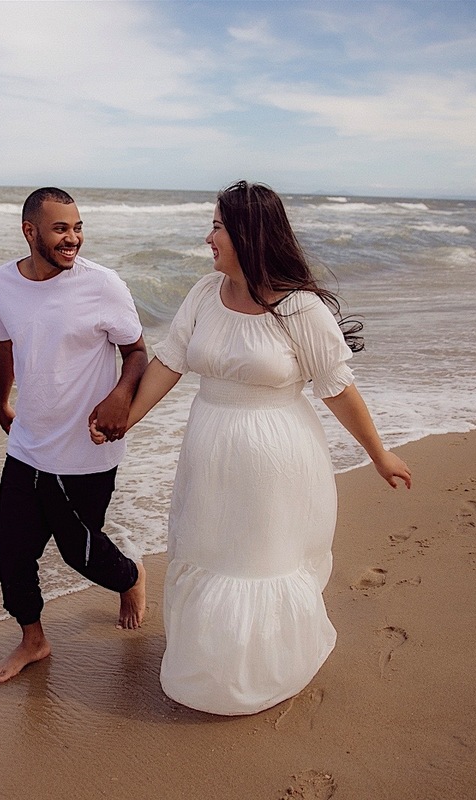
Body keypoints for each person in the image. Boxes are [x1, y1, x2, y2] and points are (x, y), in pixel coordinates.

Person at [92, 180, 411, 714]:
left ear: (247, 232)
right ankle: (211, 667)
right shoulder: (202, 293)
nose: (208, 237)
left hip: (276, 459)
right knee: (208, 551)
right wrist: (126, 419)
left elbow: (336, 387)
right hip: (209, 450)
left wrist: (378, 454)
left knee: (256, 561)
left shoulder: (300, 309)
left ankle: (262, 672)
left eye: (217, 226)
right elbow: (169, 362)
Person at [0, 186, 149, 684]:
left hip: (87, 448)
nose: (72, 238)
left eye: (77, 227)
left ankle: (131, 577)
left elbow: (137, 352)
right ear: (30, 231)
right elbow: (3, 342)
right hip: (28, 444)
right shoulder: (0, 283)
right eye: (60, 228)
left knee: (80, 553)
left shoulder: (103, 285)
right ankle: (34, 640)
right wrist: (1, 401)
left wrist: (121, 397)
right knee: (11, 554)